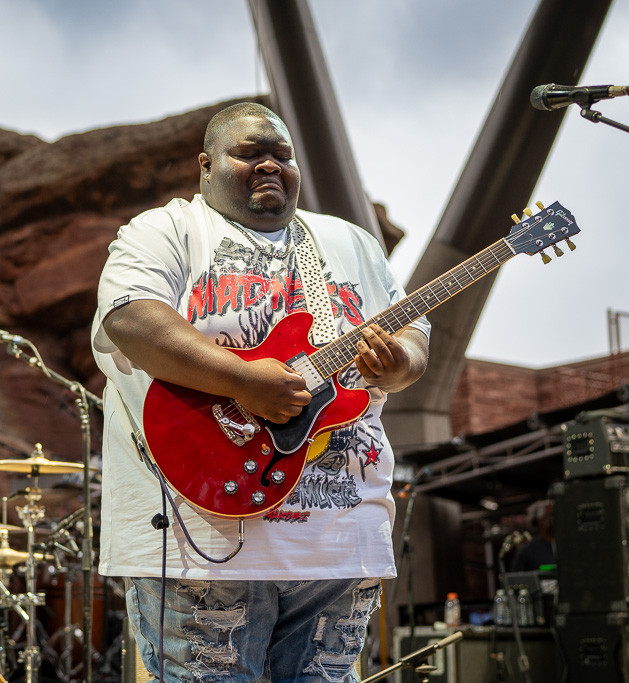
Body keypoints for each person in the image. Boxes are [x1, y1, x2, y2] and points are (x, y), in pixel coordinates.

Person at [91, 102, 430, 682]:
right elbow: (131, 319)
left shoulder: (347, 241)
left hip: (340, 541)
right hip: (201, 536)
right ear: (206, 165)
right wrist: (243, 381)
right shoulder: (165, 229)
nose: (270, 164)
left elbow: (414, 335)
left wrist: (399, 364)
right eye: (249, 153)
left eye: (282, 155)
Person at [509, 499, 556, 572]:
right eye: (551, 515)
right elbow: (517, 580)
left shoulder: (567, 545)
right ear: (540, 520)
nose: (554, 519)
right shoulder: (528, 551)